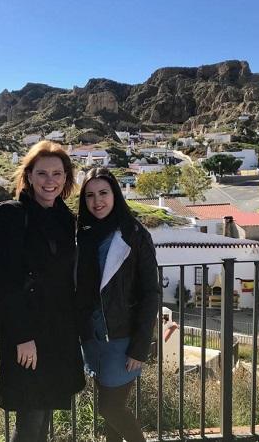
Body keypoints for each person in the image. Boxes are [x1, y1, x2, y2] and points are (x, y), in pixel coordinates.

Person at [0, 140, 85, 441]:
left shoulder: (65, 218)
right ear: (29, 175)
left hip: (58, 334)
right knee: (29, 422)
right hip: (27, 335)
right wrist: (22, 336)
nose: (50, 181)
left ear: (66, 178)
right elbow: (3, 280)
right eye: (42, 173)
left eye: (57, 174)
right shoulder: (11, 214)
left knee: (43, 416)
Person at [76, 167, 160, 442]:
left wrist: (140, 346)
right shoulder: (83, 235)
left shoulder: (134, 234)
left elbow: (151, 293)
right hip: (93, 338)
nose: (97, 201)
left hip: (123, 340)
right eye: (89, 195)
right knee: (112, 413)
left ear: (115, 194)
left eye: (103, 193)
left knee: (109, 407)